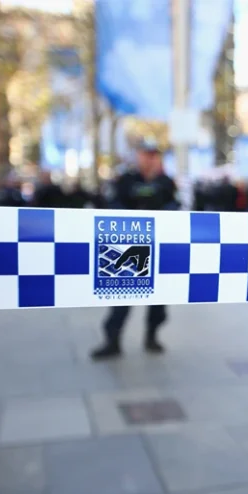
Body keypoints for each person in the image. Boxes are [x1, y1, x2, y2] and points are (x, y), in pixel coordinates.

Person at [91, 138, 178, 361]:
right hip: (128, 244)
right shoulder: (126, 180)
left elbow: (176, 205)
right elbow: (112, 204)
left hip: (158, 244)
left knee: (158, 298)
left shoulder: (166, 182)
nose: (149, 159)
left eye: (153, 155)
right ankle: (112, 341)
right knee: (122, 295)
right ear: (138, 155)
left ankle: (152, 336)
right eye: (145, 154)